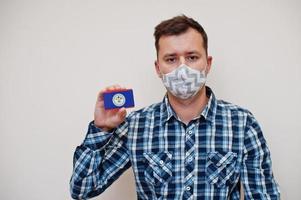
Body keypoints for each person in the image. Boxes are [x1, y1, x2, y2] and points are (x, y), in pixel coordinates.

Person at [70, 15, 280, 199]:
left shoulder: (242, 124)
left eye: (192, 57)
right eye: (171, 59)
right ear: (158, 68)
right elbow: (82, 189)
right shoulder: (136, 126)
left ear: (207, 63)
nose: (182, 68)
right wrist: (101, 130)